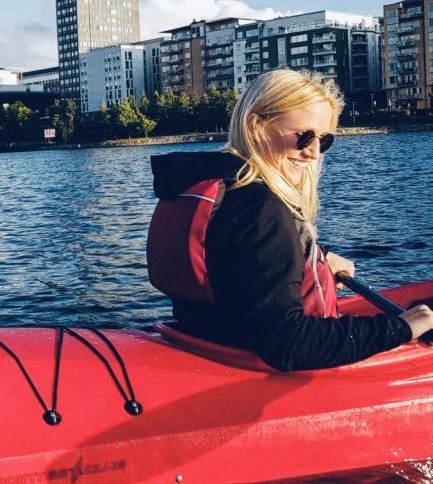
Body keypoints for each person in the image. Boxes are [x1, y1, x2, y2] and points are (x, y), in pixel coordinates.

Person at [146, 70, 433, 371]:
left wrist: (314, 259)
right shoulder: (260, 208)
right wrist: (401, 327)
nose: (313, 152)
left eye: (324, 140)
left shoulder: (211, 187)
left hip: (210, 339)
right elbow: (288, 342)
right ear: (256, 126)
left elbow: (233, 254)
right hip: (256, 365)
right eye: (304, 136)